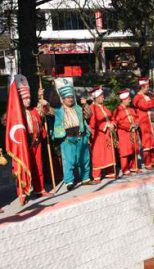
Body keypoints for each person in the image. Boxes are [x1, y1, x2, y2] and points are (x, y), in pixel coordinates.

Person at [5, 75, 52, 204]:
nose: (28, 101)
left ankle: (40, 189)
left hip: (35, 142)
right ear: (19, 99)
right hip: (23, 145)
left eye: (29, 98)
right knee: (22, 168)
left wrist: (41, 99)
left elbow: (45, 111)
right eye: (25, 98)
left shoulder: (33, 110)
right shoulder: (15, 114)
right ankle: (23, 193)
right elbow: (7, 123)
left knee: (38, 167)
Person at [52, 78, 95, 191]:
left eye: (71, 97)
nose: (70, 99)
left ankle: (85, 178)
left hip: (81, 137)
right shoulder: (58, 110)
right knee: (69, 161)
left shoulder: (78, 108)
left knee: (84, 159)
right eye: (67, 97)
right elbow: (46, 110)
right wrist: (41, 101)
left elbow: (89, 115)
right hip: (67, 139)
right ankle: (69, 181)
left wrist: (85, 105)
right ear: (63, 99)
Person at [89, 86, 117, 181]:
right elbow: (93, 123)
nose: (103, 98)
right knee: (98, 155)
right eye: (101, 96)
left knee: (109, 153)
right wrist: (106, 125)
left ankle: (110, 172)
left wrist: (113, 123)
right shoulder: (92, 108)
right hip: (98, 135)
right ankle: (96, 175)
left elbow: (111, 117)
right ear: (95, 98)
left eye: (103, 96)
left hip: (107, 134)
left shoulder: (104, 107)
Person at [132, 77, 154, 170]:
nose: (148, 89)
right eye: (147, 86)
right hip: (145, 123)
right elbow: (144, 106)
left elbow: (153, 106)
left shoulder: (147, 96)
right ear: (142, 87)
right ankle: (148, 163)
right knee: (147, 142)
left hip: (152, 121)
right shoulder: (137, 97)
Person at [113, 88, 140, 176]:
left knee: (134, 150)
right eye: (128, 99)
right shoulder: (117, 110)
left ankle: (134, 167)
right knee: (125, 152)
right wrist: (129, 126)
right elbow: (118, 122)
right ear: (124, 99)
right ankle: (125, 169)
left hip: (133, 132)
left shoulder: (131, 109)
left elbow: (136, 118)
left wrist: (136, 124)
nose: (130, 100)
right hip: (123, 133)